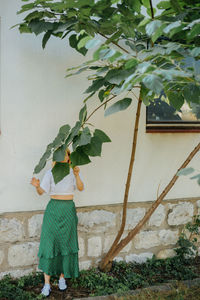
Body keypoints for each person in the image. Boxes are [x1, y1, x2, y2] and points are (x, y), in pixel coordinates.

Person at [30, 148, 84, 297]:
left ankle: (61, 278)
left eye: (66, 154)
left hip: (68, 211)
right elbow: (42, 192)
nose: (62, 157)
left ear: (68, 157)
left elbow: (81, 187)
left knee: (65, 245)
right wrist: (37, 186)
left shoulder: (74, 171)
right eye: (59, 155)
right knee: (49, 244)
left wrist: (77, 175)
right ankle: (47, 284)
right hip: (53, 211)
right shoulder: (50, 173)